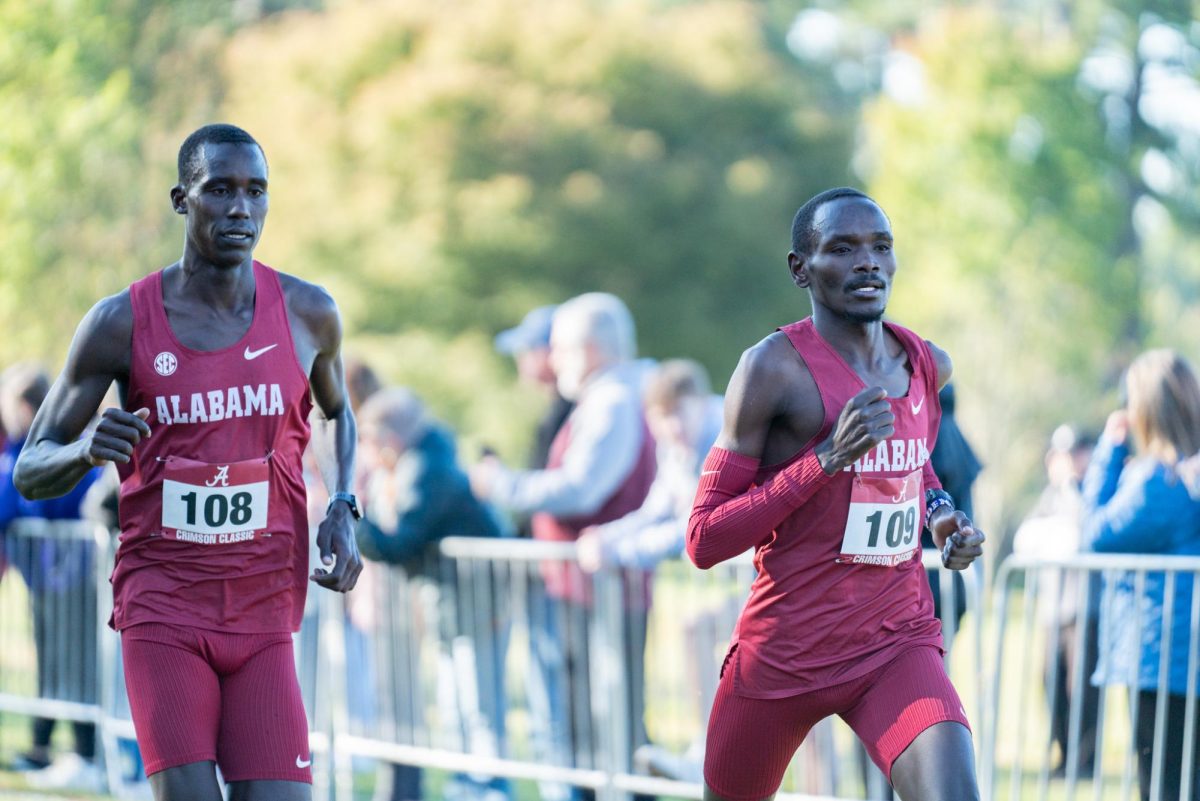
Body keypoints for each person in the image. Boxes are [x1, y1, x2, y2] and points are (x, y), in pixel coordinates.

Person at [13, 123, 363, 801]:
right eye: (220, 190)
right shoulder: (121, 321)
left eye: (256, 191)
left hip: (264, 604)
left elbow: (335, 411)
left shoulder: (308, 312)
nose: (241, 208)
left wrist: (344, 503)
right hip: (163, 605)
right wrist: (88, 449)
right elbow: (32, 466)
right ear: (182, 199)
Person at [686, 187, 985, 801]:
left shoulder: (927, 364)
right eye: (842, 249)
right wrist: (824, 460)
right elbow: (704, 538)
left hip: (894, 641)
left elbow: (914, 467)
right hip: (786, 652)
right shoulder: (771, 369)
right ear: (801, 268)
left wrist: (941, 515)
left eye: (880, 246)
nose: (867, 262)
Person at [470, 292, 657, 801]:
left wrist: (504, 484)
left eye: (563, 349)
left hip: (600, 591)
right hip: (591, 590)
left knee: (610, 732)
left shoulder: (612, 400)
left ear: (590, 348)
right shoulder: (611, 397)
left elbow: (581, 490)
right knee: (598, 732)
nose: (555, 362)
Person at [355, 387, 510, 801]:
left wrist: (349, 519)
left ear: (389, 437)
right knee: (455, 703)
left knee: (477, 706)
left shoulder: (426, 468)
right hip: (452, 601)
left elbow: (401, 542)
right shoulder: (419, 464)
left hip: (475, 601)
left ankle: (488, 789)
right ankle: (467, 786)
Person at [1082, 349, 1200, 801]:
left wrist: (1109, 452)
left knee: (1163, 785)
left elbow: (1094, 532)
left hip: (1161, 657)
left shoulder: (1157, 481)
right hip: (1179, 654)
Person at [0, 362, 104, 791]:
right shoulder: (31, 448)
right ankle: (43, 747)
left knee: (75, 664)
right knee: (52, 663)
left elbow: (16, 498)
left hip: (71, 574)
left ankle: (85, 753)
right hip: (47, 576)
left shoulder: (62, 447)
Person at [1012, 424, 1100, 777]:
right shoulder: (1050, 496)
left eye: (1074, 453)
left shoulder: (1089, 491)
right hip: (1054, 608)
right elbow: (1027, 538)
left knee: (1081, 687)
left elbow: (1081, 536)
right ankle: (1064, 756)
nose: (1068, 461)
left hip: (1085, 607)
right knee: (1051, 682)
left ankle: (1084, 761)